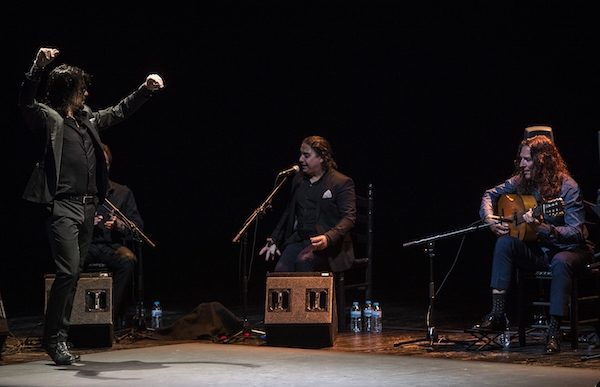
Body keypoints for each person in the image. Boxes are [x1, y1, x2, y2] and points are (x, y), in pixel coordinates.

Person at [18, 47, 164, 365]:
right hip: (62, 207)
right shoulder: (50, 120)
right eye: (81, 87)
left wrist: (144, 90)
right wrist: (37, 67)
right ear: (68, 90)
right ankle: (54, 339)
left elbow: (120, 111)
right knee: (68, 270)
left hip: (87, 208)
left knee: (74, 273)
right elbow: (26, 102)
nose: (87, 92)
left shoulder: (88, 121)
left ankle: (60, 337)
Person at [473, 135, 593, 354]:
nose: (521, 164)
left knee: (560, 262)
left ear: (542, 160)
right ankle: (498, 314)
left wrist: (542, 228)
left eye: (526, 159)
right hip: (540, 249)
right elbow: (489, 194)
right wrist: (489, 219)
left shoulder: (568, 187)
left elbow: (576, 232)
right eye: (521, 159)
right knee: (505, 242)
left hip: (571, 250)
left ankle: (554, 329)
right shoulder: (523, 181)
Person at [259, 135, 357, 273]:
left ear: (322, 157)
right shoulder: (299, 180)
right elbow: (289, 211)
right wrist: (275, 239)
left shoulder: (341, 182)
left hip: (328, 246)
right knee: (281, 270)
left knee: (304, 261)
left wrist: (328, 238)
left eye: (306, 155)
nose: (300, 159)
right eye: (301, 154)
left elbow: (349, 218)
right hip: (301, 240)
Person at [86, 144, 143, 329]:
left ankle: (109, 318)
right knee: (67, 263)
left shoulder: (121, 192)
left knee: (128, 260)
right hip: (84, 246)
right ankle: (70, 320)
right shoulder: (81, 193)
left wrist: (119, 225)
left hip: (111, 246)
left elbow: (137, 228)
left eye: (106, 164)